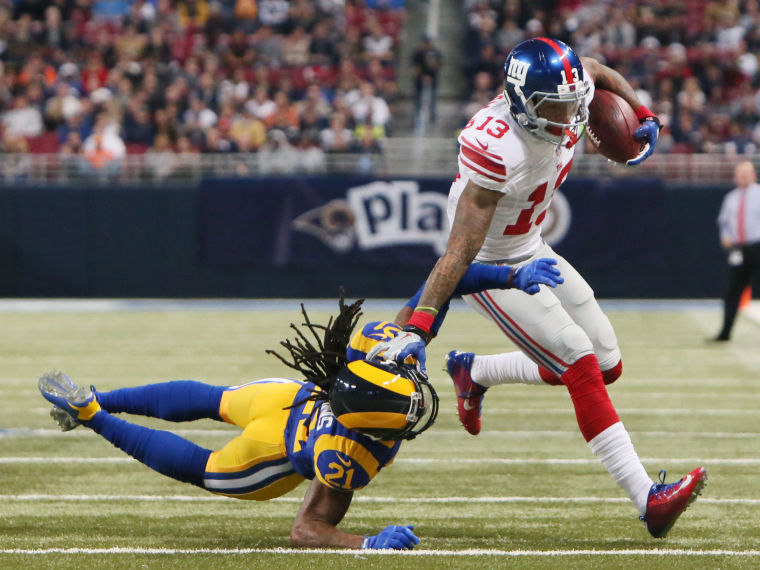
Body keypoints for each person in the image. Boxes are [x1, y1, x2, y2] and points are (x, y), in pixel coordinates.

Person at [367, 37, 706, 539]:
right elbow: (457, 254)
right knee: (577, 358)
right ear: (523, 102)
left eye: (575, 101)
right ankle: (647, 500)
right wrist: (420, 324)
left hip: (531, 244)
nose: (573, 114)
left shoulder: (567, 88)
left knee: (607, 362)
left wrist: (642, 111)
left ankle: (476, 371)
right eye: (558, 105)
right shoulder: (496, 146)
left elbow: (599, 72)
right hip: (489, 262)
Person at [36, 256, 561, 551]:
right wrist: (365, 544)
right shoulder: (346, 457)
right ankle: (92, 415)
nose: (415, 405)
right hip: (275, 450)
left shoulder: (380, 352)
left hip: (292, 399)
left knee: (212, 398)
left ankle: (96, 397)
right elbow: (305, 530)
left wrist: (512, 276)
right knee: (204, 469)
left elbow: (449, 278)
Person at [713, 160, 760, 341]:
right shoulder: (731, 197)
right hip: (738, 249)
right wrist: (725, 237)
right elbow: (724, 223)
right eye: (739, 173)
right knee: (731, 292)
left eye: (746, 173)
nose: (742, 176)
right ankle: (725, 332)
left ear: (754, 175)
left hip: (757, 247)